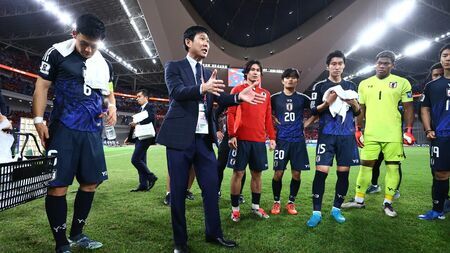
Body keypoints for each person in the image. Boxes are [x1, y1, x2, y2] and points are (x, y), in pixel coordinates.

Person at [156, 25, 264, 253]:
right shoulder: (173, 67)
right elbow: (176, 92)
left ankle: (214, 233)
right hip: (179, 138)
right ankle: (180, 242)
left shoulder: (207, 73)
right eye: (202, 39)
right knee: (178, 190)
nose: (206, 44)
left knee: (211, 185)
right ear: (188, 42)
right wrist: (202, 88)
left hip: (204, 140)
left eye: (208, 41)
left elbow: (219, 98)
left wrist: (237, 97)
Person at [32, 14, 115, 253]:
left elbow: (108, 90)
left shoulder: (104, 63)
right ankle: (61, 244)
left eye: (94, 45)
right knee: (58, 186)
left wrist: (112, 106)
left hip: (91, 131)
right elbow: (42, 87)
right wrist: (38, 119)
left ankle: (78, 234)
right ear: (74, 34)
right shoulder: (56, 53)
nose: (88, 49)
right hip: (63, 129)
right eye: (84, 43)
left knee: (90, 183)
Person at [342, 50, 415, 217]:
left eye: (386, 63)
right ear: (375, 64)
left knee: (392, 167)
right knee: (365, 166)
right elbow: (361, 109)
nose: (382, 66)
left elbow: (409, 107)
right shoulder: (364, 84)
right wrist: (358, 129)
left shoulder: (402, 82)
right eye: (380, 63)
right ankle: (358, 200)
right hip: (371, 134)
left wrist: (409, 130)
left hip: (393, 134)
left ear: (392, 65)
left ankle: (388, 203)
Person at [305, 51, 361, 227]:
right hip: (327, 136)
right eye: (333, 64)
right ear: (327, 66)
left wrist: (353, 103)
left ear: (344, 66)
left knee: (343, 173)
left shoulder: (351, 85)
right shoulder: (320, 86)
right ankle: (316, 212)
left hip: (346, 136)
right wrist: (328, 102)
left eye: (340, 63)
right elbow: (314, 111)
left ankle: (336, 209)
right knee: (321, 172)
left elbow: (358, 112)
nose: (336, 67)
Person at [227, 60, 276, 222]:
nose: (255, 72)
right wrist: (232, 134)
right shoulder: (238, 89)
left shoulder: (266, 94)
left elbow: (268, 118)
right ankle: (235, 209)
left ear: (260, 74)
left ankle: (256, 207)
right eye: (252, 70)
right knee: (238, 173)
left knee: (257, 174)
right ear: (246, 73)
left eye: (258, 70)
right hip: (240, 139)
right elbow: (231, 113)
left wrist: (272, 137)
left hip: (258, 140)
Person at [270, 68, 311, 215]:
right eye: (287, 77)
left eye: (294, 78)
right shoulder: (274, 98)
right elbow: (265, 112)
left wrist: (306, 124)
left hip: (298, 141)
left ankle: (291, 202)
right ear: (282, 80)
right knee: (278, 173)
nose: (290, 80)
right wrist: (274, 120)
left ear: (297, 81)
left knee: (296, 174)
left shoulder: (303, 98)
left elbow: (316, 112)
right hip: (281, 140)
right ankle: (276, 202)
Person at [418, 45, 450, 220]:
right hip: (442, 136)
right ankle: (438, 210)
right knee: (440, 173)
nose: (448, 58)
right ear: (440, 59)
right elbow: (424, 109)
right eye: (445, 55)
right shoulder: (432, 86)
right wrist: (429, 129)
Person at [127, 89, 158, 192]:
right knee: (142, 160)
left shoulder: (150, 106)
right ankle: (143, 184)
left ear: (146, 97)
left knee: (135, 160)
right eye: (137, 97)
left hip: (146, 137)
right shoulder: (140, 109)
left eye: (139, 96)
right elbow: (136, 124)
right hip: (139, 137)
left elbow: (151, 118)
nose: (137, 98)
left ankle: (151, 177)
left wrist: (138, 123)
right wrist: (130, 137)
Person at [214, 104, 246, 203]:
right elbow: (214, 114)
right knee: (219, 166)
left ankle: (239, 193)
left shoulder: (247, 102)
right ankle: (216, 191)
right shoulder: (227, 101)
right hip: (227, 137)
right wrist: (217, 130)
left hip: (242, 138)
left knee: (240, 168)